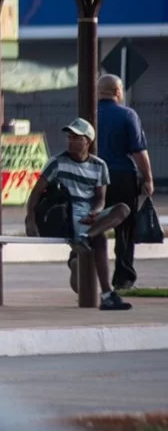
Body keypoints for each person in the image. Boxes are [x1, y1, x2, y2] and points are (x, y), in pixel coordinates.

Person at [25, 118, 132, 311]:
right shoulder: (57, 162)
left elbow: (101, 198)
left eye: (76, 137)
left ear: (88, 141)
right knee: (99, 239)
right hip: (69, 213)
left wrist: (96, 211)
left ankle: (82, 245)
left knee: (123, 209)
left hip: (89, 215)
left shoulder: (99, 166)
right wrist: (30, 219)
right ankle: (107, 294)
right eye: (69, 137)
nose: (70, 141)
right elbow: (36, 192)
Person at [96, 74, 154, 290]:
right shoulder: (127, 115)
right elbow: (139, 151)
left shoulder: (88, 115)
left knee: (93, 222)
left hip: (93, 177)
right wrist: (147, 178)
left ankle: (82, 265)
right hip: (121, 177)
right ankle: (123, 277)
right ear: (118, 91)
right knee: (125, 228)